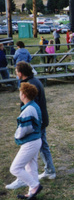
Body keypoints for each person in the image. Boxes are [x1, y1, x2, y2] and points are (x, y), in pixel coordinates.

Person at [6, 62, 56, 192]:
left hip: (36, 123)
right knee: (37, 149)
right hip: (39, 121)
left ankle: (44, 172)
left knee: (38, 147)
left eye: (16, 71)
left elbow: (34, 107)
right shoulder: (33, 80)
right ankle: (45, 171)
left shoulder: (31, 84)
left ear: (21, 73)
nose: (16, 73)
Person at [8, 82, 44, 200]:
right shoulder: (34, 106)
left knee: (15, 168)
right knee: (31, 167)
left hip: (30, 142)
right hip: (36, 140)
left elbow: (24, 129)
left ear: (23, 94)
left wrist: (17, 135)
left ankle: (34, 186)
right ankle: (32, 193)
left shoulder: (28, 110)